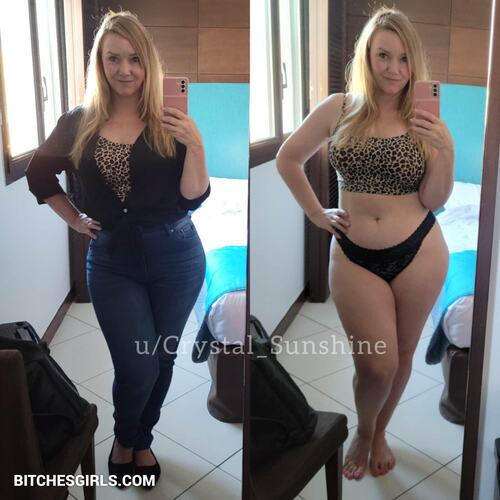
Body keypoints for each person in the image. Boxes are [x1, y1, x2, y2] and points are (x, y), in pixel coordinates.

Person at [26, 10, 210, 489]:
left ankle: (136, 440)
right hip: (112, 260)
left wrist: (196, 146)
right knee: (137, 363)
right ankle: (126, 436)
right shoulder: (77, 122)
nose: (125, 69)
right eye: (113, 59)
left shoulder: (169, 119)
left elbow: (194, 197)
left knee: (162, 357)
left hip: (177, 255)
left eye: (134, 59)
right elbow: (39, 175)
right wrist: (74, 219)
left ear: (148, 62)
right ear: (99, 64)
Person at [276, 7, 453, 481]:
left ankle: (378, 432)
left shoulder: (423, 119)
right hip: (354, 256)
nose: (393, 68)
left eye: (403, 58)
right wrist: (316, 212)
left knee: (403, 356)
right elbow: (288, 158)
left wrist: (446, 151)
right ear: (367, 57)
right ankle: (364, 428)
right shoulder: (340, 108)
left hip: (420, 250)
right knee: (376, 365)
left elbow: (435, 199)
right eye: (383, 56)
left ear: (414, 63)